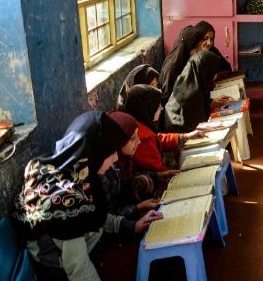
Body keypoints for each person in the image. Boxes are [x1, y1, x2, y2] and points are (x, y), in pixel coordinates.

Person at [13, 111, 163, 280]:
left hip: (86, 251)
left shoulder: (78, 175)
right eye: (110, 152)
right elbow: (79, 269)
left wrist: (131, 225)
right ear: (93, 152)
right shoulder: (65, 203)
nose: (115, 158)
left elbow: (94, 215)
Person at [123, 84, 203, 178]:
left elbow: (157, 138)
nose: (161, 108)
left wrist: (185, 136)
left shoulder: (136, 123)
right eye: (157, 105)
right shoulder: (143, 138)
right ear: (147, 107)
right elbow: (160, 171)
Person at [101, 111, 161, 217]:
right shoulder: (105, 170)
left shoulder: (125, 160)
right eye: (132, 138)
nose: (139, 141)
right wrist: (139, 207)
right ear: (118, 140)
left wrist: (160, 175)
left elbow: (132, 179)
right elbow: (109, 216)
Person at [163, 49, 224, 132]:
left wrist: (212, 102)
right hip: (178, 132)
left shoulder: (192, 79)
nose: (213, 76)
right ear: (205, 69)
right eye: (212, 72)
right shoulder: (190, 91)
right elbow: (197, 119)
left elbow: (201, 103)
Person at [158, 25, 205, 106]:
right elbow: (169, 100)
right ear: (188, 47)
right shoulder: (172, 68)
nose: (200, 50)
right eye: (197, 47)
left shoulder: (188, 61)